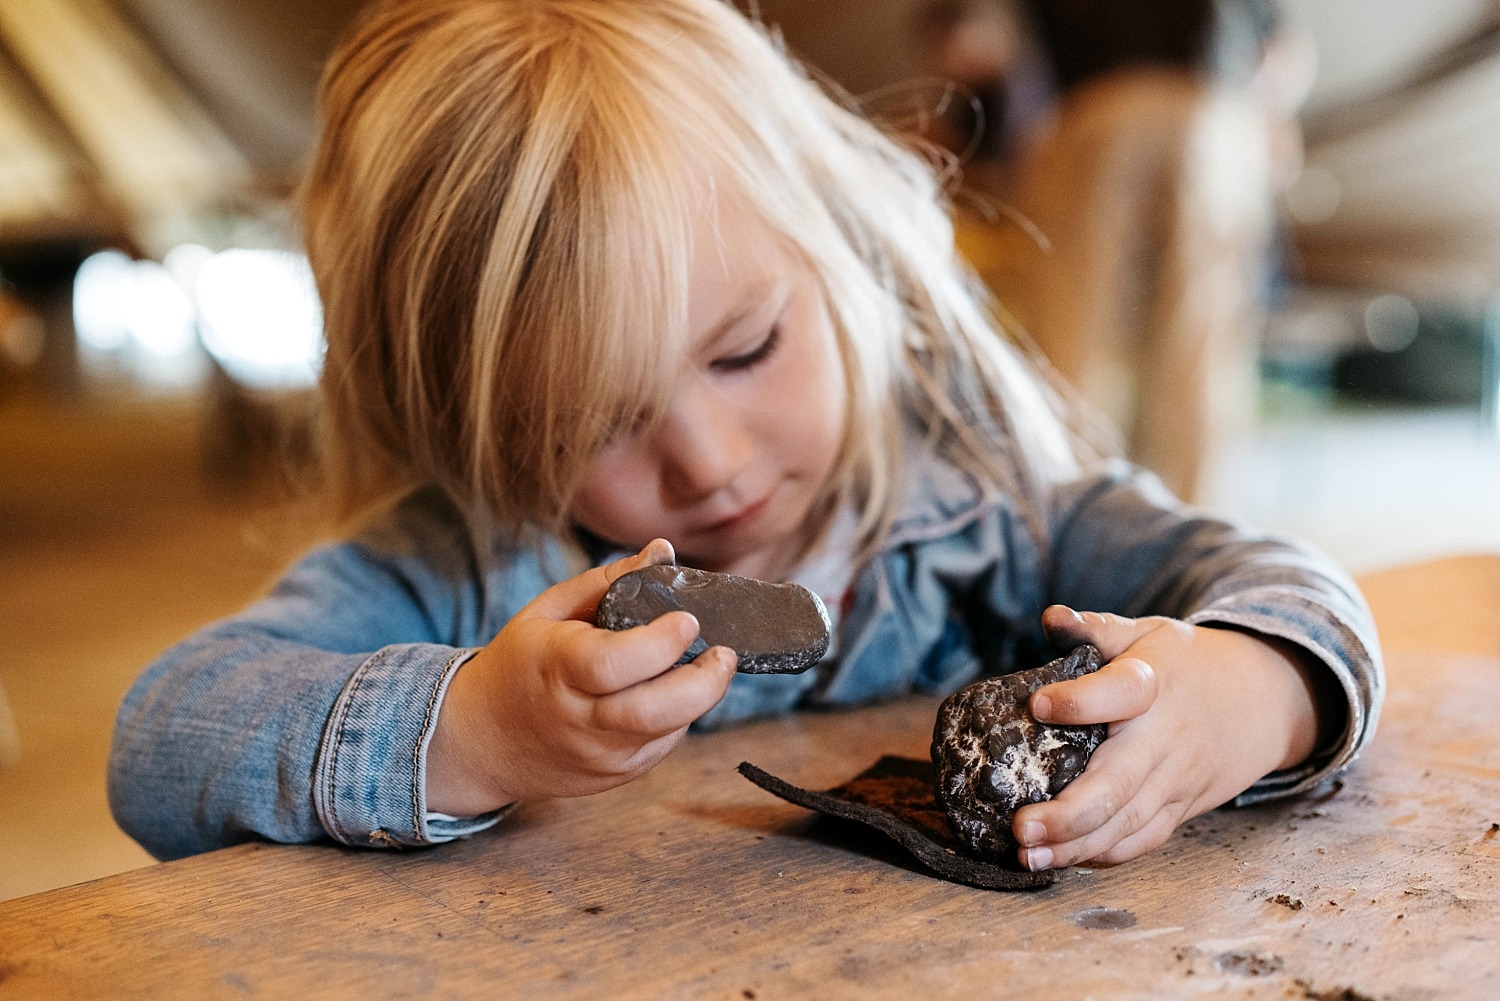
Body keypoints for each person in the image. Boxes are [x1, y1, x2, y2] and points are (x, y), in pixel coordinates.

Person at [109, 0, 1381, 874]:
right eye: (589, 421)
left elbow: (1283, 584)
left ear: (844, 260)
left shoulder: (990, 500)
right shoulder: (465, 564)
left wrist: (1252, 692)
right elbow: (162, 738)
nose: (710, 461)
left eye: (746, 349)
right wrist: (475, 729)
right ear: (467, 419)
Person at [911, 0, 1314, 501]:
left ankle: (1080, 514)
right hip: (1212, 113)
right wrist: (1269, 124)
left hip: (1095, 112)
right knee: (1202, 340)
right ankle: (1194, 517)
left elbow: (972, 45)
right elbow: (1280, 54)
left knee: (1075, 335)